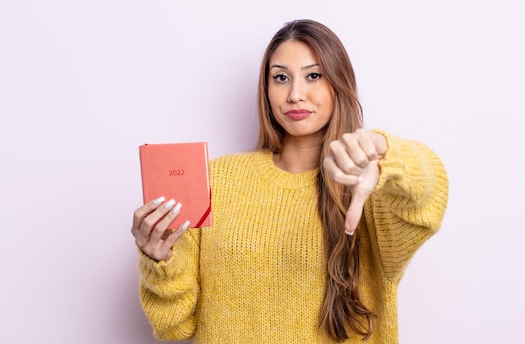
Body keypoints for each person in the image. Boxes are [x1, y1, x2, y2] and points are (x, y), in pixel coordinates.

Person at [131, 19, 449, 343]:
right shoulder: (217, 180)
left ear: (339, 83)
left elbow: (430, 194)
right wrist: (159, 260)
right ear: (266, 89)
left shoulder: (374, 192)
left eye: (313, 75)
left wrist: (385, 154)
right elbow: (175, 325)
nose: (296, 94)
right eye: (281, 78)